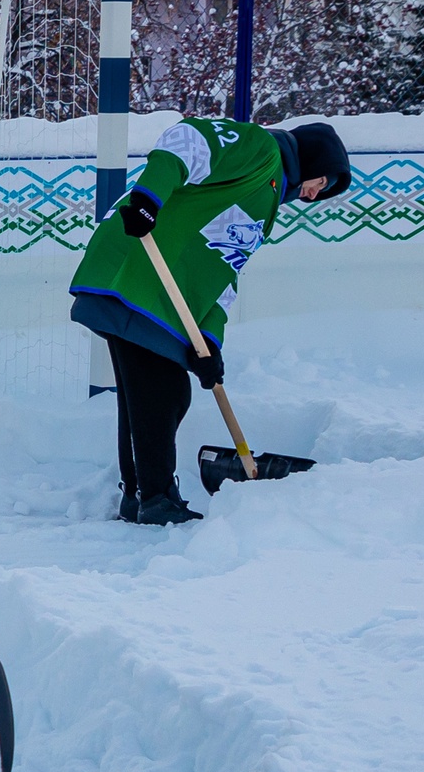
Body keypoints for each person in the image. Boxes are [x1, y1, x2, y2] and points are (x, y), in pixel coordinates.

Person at [69, 116, 349, 523]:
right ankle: (157, 499)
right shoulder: (260, 149)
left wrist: (209, 342)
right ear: (311, 159)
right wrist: (148, 198)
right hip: (136, 268)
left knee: (146, 394)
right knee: (162, 391)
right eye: (321, 181)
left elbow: (223, 274)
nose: (313, 194)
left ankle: (140, 494)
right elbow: (189, 139)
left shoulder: (264, 203)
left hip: (155, 293)